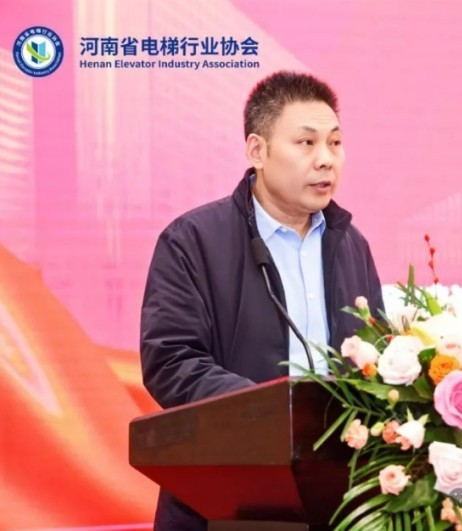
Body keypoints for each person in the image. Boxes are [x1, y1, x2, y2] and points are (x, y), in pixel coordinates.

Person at [139, 70, 385, 530]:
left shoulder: (351, 244)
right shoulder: (193, 240)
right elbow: (170, 361)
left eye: (334, 143)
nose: (326, 160)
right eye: (306, 143)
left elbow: (376, 359)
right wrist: (269, 416)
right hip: (227, 499)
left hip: (337, 500)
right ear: (257, 151)